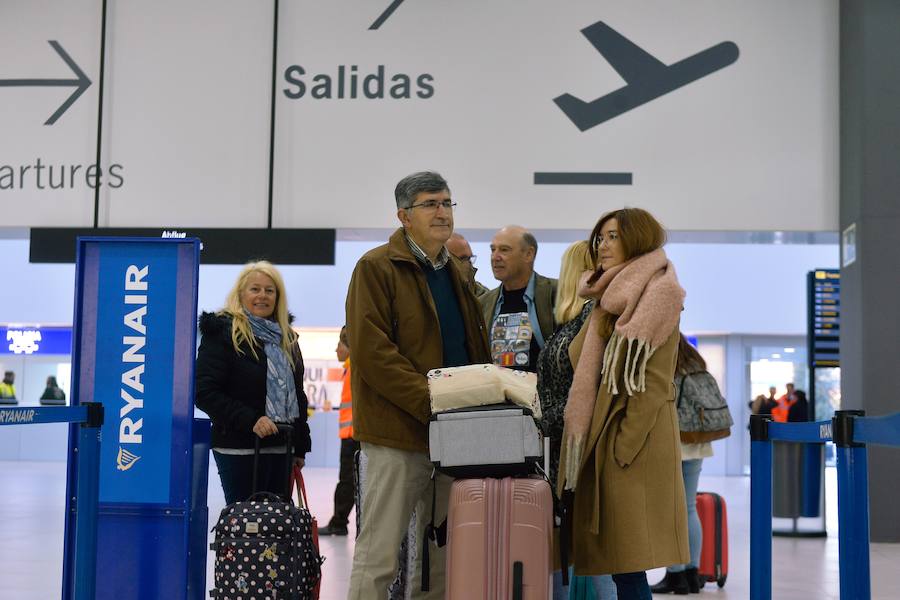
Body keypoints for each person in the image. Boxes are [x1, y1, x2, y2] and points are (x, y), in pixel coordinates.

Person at [345, 171, 490, 599]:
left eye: (447, 203)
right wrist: (431, 401)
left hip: (455, 435)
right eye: (431, 204)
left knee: (440, 555)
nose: (442, 212)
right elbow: (372, 353)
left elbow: (470, 346)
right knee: (379, 554)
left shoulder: (455, 272)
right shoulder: (375, 267)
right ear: (404, 216)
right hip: (397, 433)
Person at [558, 208, 689, 600]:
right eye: (600, 237)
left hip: (633, 445)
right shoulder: (609, 296)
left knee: (628, 566)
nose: (603, 245)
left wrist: (623, 448)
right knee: (620, 567)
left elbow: (653, 381)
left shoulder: (659, 292)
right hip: (609, 439)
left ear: (637, 238)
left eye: (613, 236)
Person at [536, 240, 617, 600]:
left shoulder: (591, 318)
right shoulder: (573, 322)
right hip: (562, 449)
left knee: (590, 549)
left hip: (575, 448)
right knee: (570, 546)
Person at [195, 261, 311, 505]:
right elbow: (204, 391)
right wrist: (251, 420)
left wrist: (300, 446)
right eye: (255, 289)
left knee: (276, 529)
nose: (262, 296)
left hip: (282, 447)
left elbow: (298, 396)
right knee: (245, 527)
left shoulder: (286, 339)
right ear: (241, 294)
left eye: (270, 290)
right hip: (238, 448)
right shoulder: (222, 333)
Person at [650, 335, 720, 595]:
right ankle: (692, 572)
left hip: (675, 443)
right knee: (688, 507)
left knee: (672, 509)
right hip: (697, 442)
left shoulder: (667, 365)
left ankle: (675, 574)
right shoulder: (695, 363)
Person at [481, 225, 557, 372]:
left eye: (504, 250)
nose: (495, 257)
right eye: (493, 249)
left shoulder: (556, 293)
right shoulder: (484, 302)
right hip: (497, 393)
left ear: (529, 254)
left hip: (541, 392)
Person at [319, 326, 358, 536]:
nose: (336, 350)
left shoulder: (355, 369)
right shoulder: (351, 368)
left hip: (354, 436)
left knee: (347, 482)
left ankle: (338, 523)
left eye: (339, 345)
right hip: (352, 434)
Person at [445, 232, 490, 297]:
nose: (469, 264)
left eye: (469, 258)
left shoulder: (483, 295)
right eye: (463, 258)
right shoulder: (429, 292)